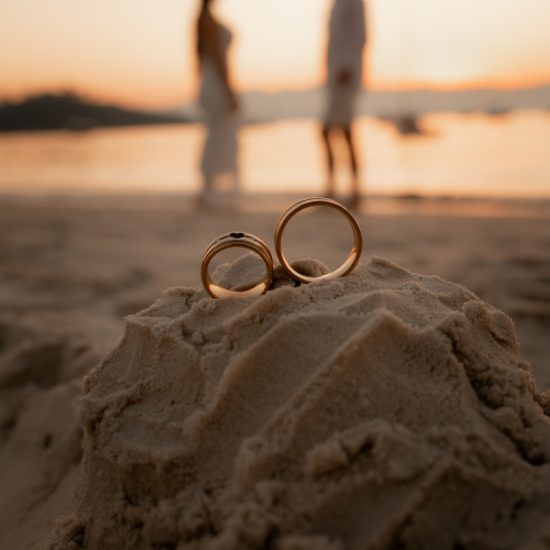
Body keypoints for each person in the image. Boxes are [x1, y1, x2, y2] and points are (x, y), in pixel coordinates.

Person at [321, 0, 367, 208]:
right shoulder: (338, 4)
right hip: (336, 76)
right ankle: (340, 190)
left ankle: (345, 191)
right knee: (340, 132)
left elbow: (360, 36)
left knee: (338, 132)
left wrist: (348, 67)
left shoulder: (353, 3)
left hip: (345, 75)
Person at [196, 0, 240, 208]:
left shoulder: (202, 20)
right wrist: (229, 91)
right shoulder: (208, 21)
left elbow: (199, 60)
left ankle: (210, 189)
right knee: (220, 134)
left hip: (209, 82)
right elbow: (218, 59)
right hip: (216, 83)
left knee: (216, 134)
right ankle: (213, 191)